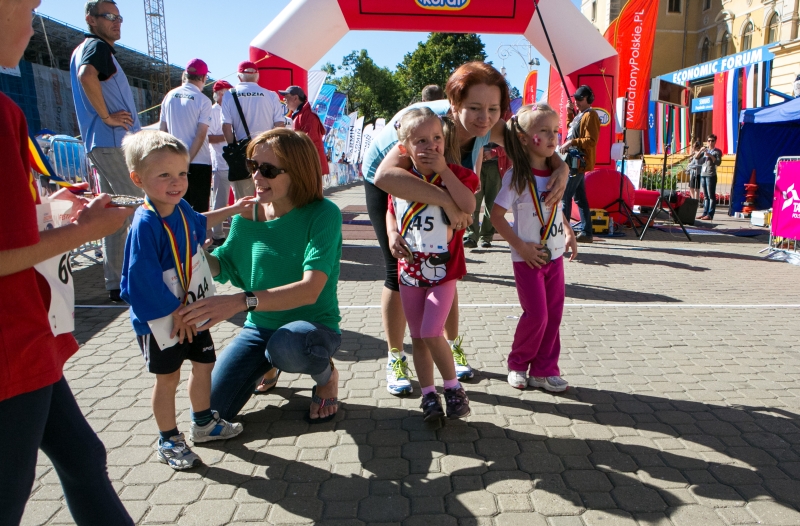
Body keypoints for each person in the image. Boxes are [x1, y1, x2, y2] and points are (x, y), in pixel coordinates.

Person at [1, 0, 136, 523]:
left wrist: (51, 210)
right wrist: (83, 232)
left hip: (26, 336)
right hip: (11, 342)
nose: (33, 20)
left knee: (83, 457)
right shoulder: (4, 113)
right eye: (29, 6)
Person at [364, 61, 569, 396]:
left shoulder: (492, 125)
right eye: (474, 108)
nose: (484, 118)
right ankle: (396, 356)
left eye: (493, 109)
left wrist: (561, 166)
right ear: (454, 103)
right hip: (394, 181)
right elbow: (385, 177)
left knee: (445, 268)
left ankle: (451, 345)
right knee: (399, 271)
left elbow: (533, 147)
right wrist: (448, 202)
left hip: (446, 185)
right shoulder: (427, 124)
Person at [178, 128, 343, 424]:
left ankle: (326, 377)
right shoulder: (246, 213)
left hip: (311, 329)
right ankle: (268, 363)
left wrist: (239, 302)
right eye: (253, 165)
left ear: (299, 172)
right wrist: (197, 254)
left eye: (268, 170)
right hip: (260, 328)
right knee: (210, 411)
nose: (256, 176)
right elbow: (225, 266)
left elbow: (310, 291)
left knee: (286, 345)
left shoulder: (323, 214)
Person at [120, 130, 254, 470]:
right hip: (162, 319)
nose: (176, 182)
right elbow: (140, 280)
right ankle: (168, 439)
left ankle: (203, 423)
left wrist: (234, 209)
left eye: (182, 173)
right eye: (164, 174)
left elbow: (199, 221)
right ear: (138, 179)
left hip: (191, 308)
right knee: (168, 378)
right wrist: (173, 313)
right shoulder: (145, 223)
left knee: (204, 364)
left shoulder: (180, 207)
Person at [385, 108, 479, 420]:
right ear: (404, 149)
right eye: (421, 141)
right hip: (409, 271)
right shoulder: (402, 180)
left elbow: (468, 205)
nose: (431, 145)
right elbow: (391, 210)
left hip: (444, 271)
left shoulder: (458, 175)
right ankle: (428, 396)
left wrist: (445, 171)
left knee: (430, 331)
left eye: (436, 138)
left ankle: (453, 389)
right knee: (418, 338)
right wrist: (391, 234)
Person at [489, 103, 578, 392]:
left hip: (555, 257)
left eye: (555, 130)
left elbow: (554, 208)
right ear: (524, 138)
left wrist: (568, 231)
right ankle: (517, 363)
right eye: (544, 131)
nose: (553, 137)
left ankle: (544, 370)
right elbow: (496, 216)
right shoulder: (516, 176)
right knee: (537, 315)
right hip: (527, 259)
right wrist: (520, 247)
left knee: (554, 316)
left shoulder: (555, 173)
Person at [70, 0, 141, 302]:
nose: (116, 21)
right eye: (109, 16)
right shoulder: (96, 47)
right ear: (91, 19)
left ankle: (115, 282)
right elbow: (87, 75)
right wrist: (107, 116)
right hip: (113, 142)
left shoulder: (88, 49)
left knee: (117, 214)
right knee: (141, 208)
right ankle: (148, 275)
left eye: (119, 17)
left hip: (102, 144)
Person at [159, 59, 213, 213]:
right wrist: (187, 161)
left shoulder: (169, 96)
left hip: (174, 161)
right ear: (203, 78)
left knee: (176, 207)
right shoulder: (203, 100)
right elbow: (200, 134)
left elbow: (162, 132)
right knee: (199, 211)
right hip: (199, 162)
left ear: (185, 75)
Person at [209, 79, 253, 246]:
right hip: (221, 163)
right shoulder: (213, 111)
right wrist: (231, 137)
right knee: (220, 200)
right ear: (219, 94)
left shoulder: (231, 108)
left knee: (240, 199)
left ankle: (237, 233)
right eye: (227, 92)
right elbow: (209, 137)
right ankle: (218, 234)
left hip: (235, 164)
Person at [559, 85, 599, 243]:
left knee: (565, 196)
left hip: (579, 162)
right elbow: (571, 130)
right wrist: (569, 113)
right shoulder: (581, 115)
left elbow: (591, 140)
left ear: (589, 99)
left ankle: (563, 233)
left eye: (580, 99)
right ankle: (586, 233)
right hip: (574, 161)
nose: (576, 102)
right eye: (575, 99)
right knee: (580, 199)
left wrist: (571, 143)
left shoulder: (591, 115)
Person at [221, 61, 285, 146]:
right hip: (267, 146)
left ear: (239, 77)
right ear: (257, 77)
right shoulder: (271, 95)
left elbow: (226, 126)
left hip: (243, 147)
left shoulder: (229, 95)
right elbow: (279, 124)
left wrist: (231, 147)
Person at [463, 143, 509, 248]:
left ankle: (486, 237)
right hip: (474, 165)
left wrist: (494, 152)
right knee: (473, 202)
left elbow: (511, 145)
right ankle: (471, 236)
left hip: (496, 167)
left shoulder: (503, 130)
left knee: (492, 205)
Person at [280, 85, 329, 176]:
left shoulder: (307, 115)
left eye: (287, 96)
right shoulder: (302, 114)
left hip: (310, 167)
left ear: (295, 98)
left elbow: (309, 142)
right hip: (308, 166)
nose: (284, 99)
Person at [698, 134, 723, 221]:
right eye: (709, 141)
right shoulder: (705, 150)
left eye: (712, 141)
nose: (710, 142)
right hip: (703, 174)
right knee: (705, 196)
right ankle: (704, 213)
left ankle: (710, 214)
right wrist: (700, 151)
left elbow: (718, 163)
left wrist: (710, 156)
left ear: (715, 141)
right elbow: (697, 158)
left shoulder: (717, 151)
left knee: (711, 196)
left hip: (711, 175)